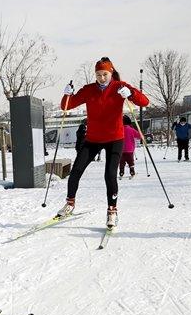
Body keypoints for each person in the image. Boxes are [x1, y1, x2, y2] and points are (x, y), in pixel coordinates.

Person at [55, 58, 150, 228]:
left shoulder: (120, 86)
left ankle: (112, 211)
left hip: (115, 138)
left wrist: (131, 94)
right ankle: (70, 203)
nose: (101, 78)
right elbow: (66, 106)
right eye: (98, 75)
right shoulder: (89, 90)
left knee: (110, 174)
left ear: (111, 73)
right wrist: (67, 93)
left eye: (105, 74)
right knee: (76, 170)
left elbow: (144, 102)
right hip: (93, 139)